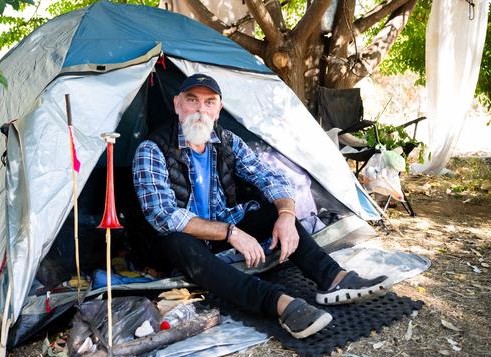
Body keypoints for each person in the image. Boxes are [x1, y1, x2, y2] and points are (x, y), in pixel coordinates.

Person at [132, 74, 389, 339]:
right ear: (177, 105)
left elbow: (272, 178)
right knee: (178, 240)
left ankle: (333, 279)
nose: (200, 109)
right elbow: (163, 216)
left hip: (220, 231)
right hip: (175, 247)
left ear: (219, 109)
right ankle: (278, 303)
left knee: (271, 212)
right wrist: (232, 233)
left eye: (210, 102)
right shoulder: (152, 149)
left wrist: (287, 216)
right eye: (192, 100)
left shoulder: (227, 141)